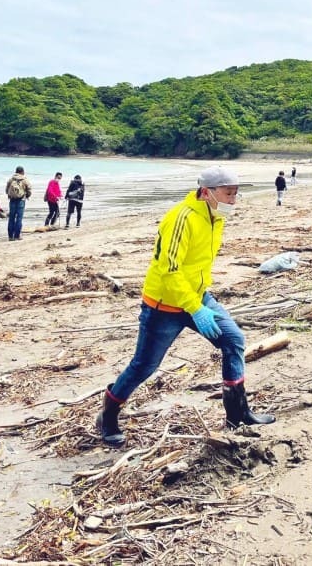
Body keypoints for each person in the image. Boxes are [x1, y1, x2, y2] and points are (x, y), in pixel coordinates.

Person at [96, 166, 275, 446]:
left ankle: (237, 413)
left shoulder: (214, 217)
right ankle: (108, 416)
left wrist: (199, 302)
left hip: (197, 298)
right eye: (228, 194)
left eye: (236, 194)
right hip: (163, 306)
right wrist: (195, 308)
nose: (233, 200)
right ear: (207, 192)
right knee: (144, 366)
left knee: (233, 340)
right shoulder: (182, 217)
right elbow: (169, 270)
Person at [5, 166, 32, 241]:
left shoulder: (11, 179)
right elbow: (29, 189)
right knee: (19, 218)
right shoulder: (24, 180)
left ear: (15, 171)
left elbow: (6, 190)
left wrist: (10, 195)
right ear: (22, 172)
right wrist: (27, 195)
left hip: (12, 200)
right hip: (21, 200)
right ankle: (17, 236)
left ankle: (10, 236)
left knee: (11, 218)